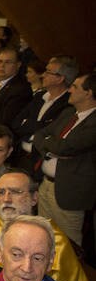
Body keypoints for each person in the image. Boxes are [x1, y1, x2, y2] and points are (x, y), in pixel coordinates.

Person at [33, 72, 96, 247]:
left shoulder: (94, 122)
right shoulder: (69, 113)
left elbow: (66, 147)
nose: (69, 90)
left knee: (68, 245)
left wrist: (52, 144)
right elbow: (40, 134)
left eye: (75, 87)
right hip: (45, 184)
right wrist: (51, 145)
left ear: (88, 93)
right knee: (42, 237)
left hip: (69, 191)